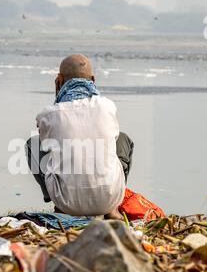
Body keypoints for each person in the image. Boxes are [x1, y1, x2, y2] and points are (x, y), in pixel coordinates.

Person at [25, 54, 134, 218]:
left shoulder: (48, 114)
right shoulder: (107, 107)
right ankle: (113, 210)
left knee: (33, 144)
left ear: (59, 81)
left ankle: (59, 207)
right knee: (122, 139)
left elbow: (47, 144)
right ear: (93, 80)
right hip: (109, 199)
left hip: (67, 202)